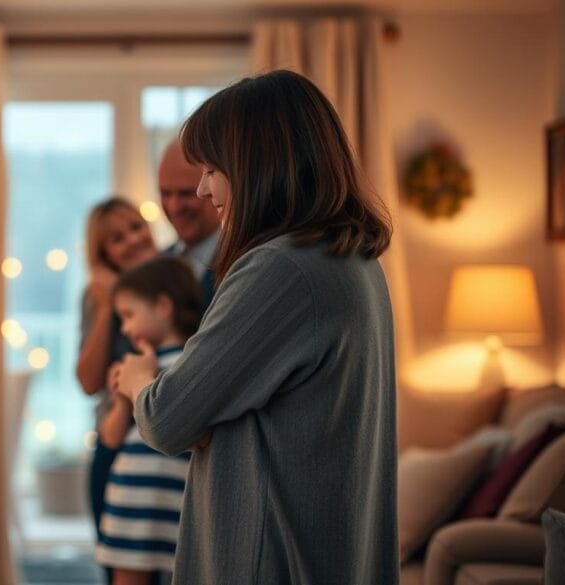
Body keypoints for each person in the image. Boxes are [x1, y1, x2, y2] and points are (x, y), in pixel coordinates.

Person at [110, 70, 397, 584]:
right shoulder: (355, 260)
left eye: (212, 169)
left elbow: (167, 418)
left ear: (256, 166)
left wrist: (138, 382)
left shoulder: (279, 269)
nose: (204, 189)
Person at [95, 257, 202, 585]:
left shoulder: (195, 362)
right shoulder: (132, 366)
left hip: (177, 497)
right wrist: (122, 398)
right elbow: (111, 437)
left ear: (163, 306)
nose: (124, 329)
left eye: (129, 315)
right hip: (132, 493)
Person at [75, 198, 159, 583]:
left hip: (170, 445)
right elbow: (88, 382)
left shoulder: (179, 279)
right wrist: (109, 306)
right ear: (104, 255)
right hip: (116, 443)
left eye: (135, 227)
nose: (132, 240)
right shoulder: (96, 298)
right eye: (117, 238)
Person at [157, 141, 221, 305]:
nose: (174, 207)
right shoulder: (156, 263)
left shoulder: (243, 261)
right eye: (165, 193)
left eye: (186, 194)